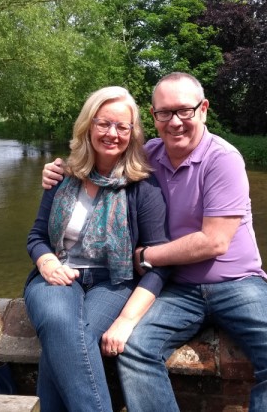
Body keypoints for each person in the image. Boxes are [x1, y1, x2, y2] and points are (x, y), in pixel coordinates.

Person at [42, 73, 267, 412]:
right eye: (164, 113)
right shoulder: (146, 157)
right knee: (135, 350)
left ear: (204, 109)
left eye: (184, 110)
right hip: (177, 289)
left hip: (237, 283)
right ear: (153, 116)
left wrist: (147, 256)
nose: (175, 122)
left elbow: (214, 242)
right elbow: (98, 162)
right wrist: (60, 170)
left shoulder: (223, 159)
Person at [24, 86, 171, 412]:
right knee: (60, 323)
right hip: (57, 273)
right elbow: (36, 236)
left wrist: (128, 319)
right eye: (104, 123)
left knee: (70, 339)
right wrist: (46, 262)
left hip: (113, 281)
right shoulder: (62, 175)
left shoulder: (143, 185)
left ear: (133, 133)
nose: (112, 133)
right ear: (88, 125)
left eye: (122, 126)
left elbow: (159, 263)